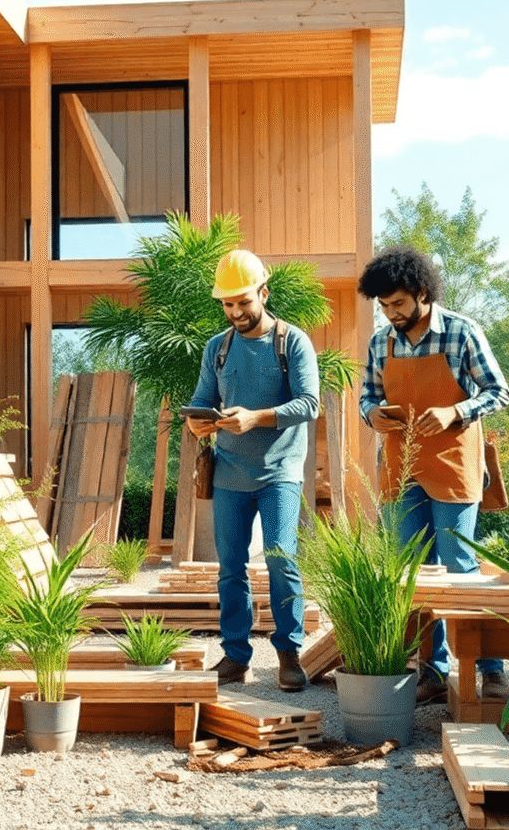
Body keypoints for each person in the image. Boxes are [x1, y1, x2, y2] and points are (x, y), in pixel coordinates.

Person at [356, 245, 509, 704]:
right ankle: (433, 670)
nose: (391, 314)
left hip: (453, 462)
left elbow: (498, 391)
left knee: (460, 566)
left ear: (422, 293)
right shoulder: (379, 342)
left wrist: (455, 411)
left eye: (398, 304)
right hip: (401, 466)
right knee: (412, 572)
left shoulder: (462, 331)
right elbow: (367, 395)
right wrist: (372, 415)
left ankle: (493, 669)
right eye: (383, 306)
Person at [186, 249, 320, 691]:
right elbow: (204, 398)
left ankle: (288, 654)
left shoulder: (292, 342)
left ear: (263, 293)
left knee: (282, 560)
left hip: (280, 472)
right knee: (230, 568)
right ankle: (236, 655)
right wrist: (198, 420)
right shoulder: (217, 348)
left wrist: (256, 417)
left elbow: (309, 404)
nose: (236, 312)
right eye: (227, 304)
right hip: (229, 474)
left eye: (243, 301)